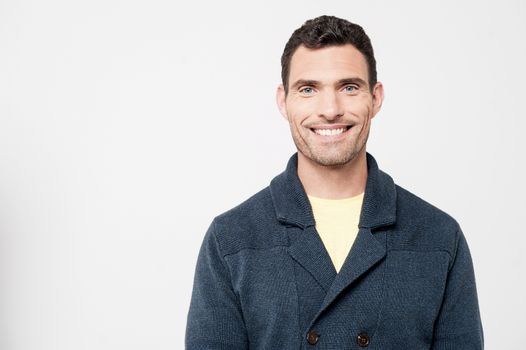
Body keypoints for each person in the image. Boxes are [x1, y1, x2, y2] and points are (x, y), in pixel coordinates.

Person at [185, 15, 484, 349]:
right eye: (308, 89)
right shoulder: (231, 239)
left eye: (349, 87)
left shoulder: (439, 237)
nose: (330, 110)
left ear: (376, 98)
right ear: (284, 101)